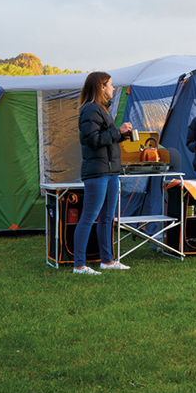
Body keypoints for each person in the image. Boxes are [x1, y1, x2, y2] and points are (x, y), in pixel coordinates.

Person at [73, 71, 132, 274]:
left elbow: (106, 139)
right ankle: (79, 265)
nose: (113, 89)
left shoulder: (102, 110)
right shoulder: (90, 110)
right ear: (101, 87)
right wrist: (118, 131)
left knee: (108, 218)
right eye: (111, 85)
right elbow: (93, 140)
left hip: (111, 171)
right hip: (97, 172)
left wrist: (122, 135)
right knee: (89, 216)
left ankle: (107, 261)